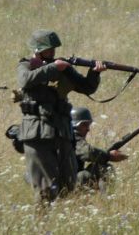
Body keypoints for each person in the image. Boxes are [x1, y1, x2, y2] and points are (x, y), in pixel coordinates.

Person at [16, 29, 106, 204]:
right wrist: (53, 67)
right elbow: (25, 80)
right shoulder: (26, 65)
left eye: (53, 49)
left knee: (68, 185)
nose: (52, 52)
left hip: (62, 133)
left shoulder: (63, 68)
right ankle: (42, 220)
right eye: (48, 49)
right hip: (37, 134)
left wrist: (94, 72)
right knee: (46, 190)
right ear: (37, 50)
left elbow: (86, 87)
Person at [71, 106, 127, 190]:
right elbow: (88, 152)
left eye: (88, 125)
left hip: (65, 181)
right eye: (84, 125)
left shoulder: (66, 138)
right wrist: (109, 156)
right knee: (104, 168)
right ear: (75, 125)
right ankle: (107, 197)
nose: (88, 129)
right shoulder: (74, 138)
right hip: (68, 183)